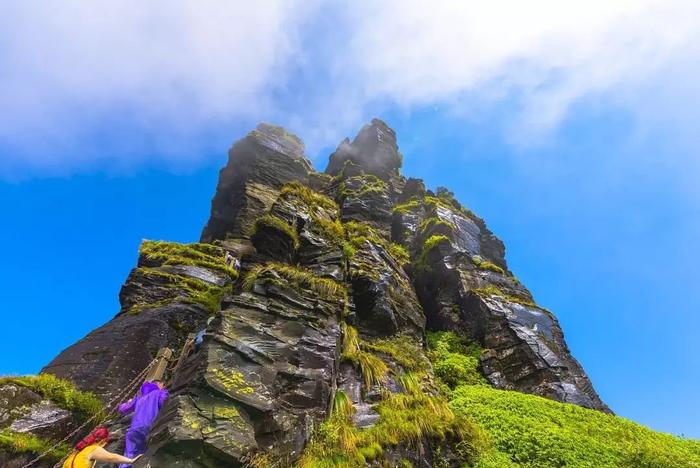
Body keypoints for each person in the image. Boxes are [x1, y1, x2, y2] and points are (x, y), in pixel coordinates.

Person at [117, 381, 169, 468]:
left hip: (134, 430)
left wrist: (125, 403)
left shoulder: (139, 397)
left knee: (128, 457)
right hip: (150, 429)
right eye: (163, 385)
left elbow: (123, 409)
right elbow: (164, 403)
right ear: (159, 385)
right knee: (145, 458)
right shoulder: (161, 393)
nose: (164, 387)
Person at [62, 426, 140, 467]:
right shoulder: (93, 449)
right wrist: (131, 460)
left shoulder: (76, 453)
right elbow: (111, 457)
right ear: (103, 441)